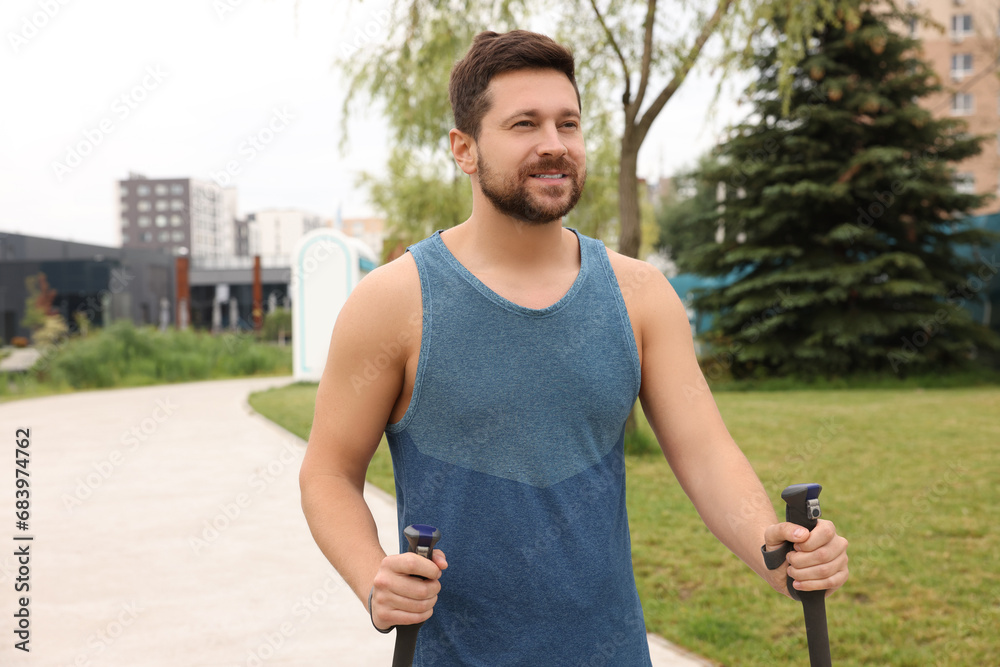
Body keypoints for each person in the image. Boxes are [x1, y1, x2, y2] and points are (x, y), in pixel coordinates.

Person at [299, 29, 849, 666]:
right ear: (465, 149)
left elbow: (705, 451)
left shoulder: (641, 295)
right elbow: (328, 472)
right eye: (525, 124)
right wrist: (374, 579)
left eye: (569, 123)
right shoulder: (393, 301)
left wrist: (772, 548)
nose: (554, 145)